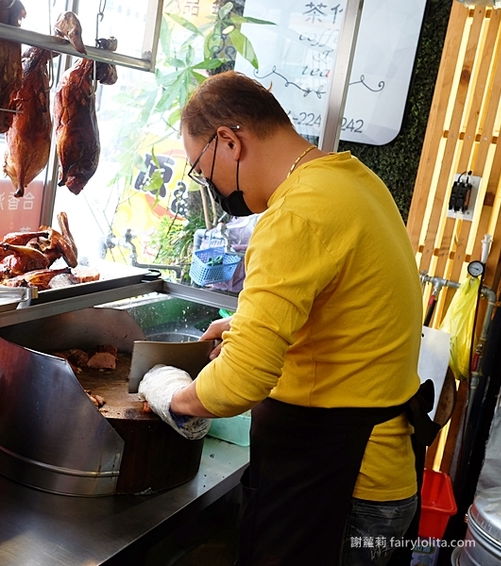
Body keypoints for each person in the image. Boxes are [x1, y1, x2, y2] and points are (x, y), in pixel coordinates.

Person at [138, 71, 436, 566]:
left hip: (338, 488)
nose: (212, 190)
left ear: (230, 141)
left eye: (204, 172)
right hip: (384, 474)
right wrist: (244, 327)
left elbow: (238, 384)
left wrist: (170, 395)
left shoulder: (295, 214)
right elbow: (352, 311)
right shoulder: (353, 181)